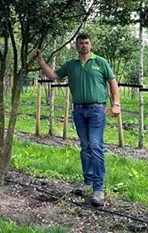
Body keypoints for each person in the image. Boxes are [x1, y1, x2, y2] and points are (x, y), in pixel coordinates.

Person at [35, 32, 120, 207]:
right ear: (76, 45)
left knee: (96, 146)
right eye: (81, 43)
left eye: (87, 42)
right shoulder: (71, 65)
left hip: (97, 110)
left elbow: (112, 81)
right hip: (79, 111)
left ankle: (98, 188)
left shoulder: (100, 62)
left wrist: (116, 103)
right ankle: (87, 182)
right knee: (85, 146)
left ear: (91, 44)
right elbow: (53, 76)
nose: (84, 46)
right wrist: (40, 61)